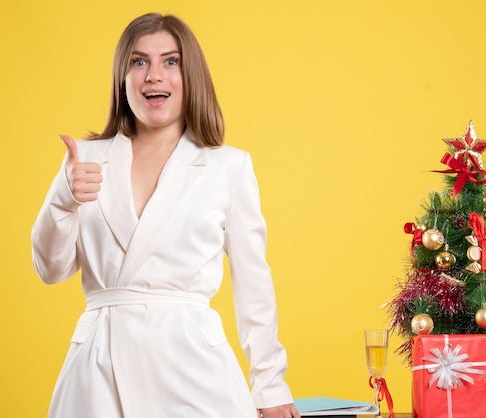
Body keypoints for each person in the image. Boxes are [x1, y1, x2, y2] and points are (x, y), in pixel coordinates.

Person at [31, 12, 300, 418]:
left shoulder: (228, 167)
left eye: (170, 61)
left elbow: (254, 286)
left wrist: (270, 384)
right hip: (99, 368)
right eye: (139, 62)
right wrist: (64, 201)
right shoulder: (84, 160)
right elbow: (49, 269)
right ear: (123, 79)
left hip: (193, 368)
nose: (154, 75)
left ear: (190, 75)